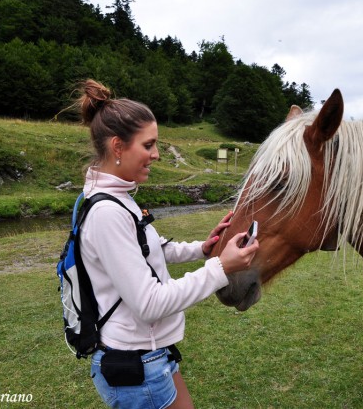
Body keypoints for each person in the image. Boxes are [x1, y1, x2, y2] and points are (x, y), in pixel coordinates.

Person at [73, 79, 259, 409]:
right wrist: (220, 267)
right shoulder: (106, 212)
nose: (156, 155)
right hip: (136, 364)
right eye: (148, 145)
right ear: (118, 147)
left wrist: (203, 248)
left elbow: (150, 248)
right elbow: (150, 304)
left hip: (152, 356)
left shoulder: (118, 198)